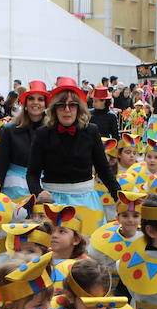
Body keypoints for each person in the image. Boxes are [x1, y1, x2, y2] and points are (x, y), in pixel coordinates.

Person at [26, 78, 120, 237]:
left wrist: (118, 195)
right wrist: (38, 192)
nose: (67, 110)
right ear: (54, 109)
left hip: (86, 201)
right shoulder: (43, 134)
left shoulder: (91, 131)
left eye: (72, 105)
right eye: (61, 105)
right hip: (53, 202)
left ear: (79, 108)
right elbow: (32, 173)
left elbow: (103, 169)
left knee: (87, 251)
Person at [0, 81, 48, 200]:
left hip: (45, 187)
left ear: (46, 104)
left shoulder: (52, 130)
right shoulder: (10, 130)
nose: (35, 102)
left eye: (40, 99)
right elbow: (1, 163)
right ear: (25, 103)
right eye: (31, 99)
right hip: (14, 188)